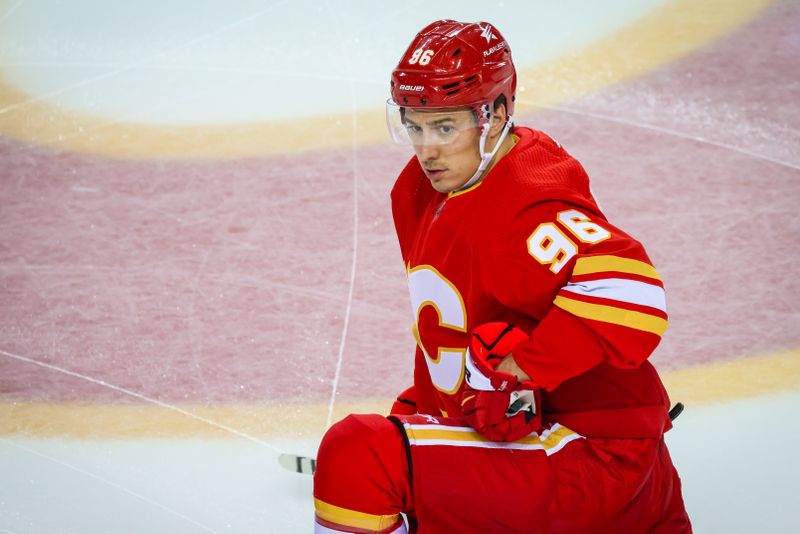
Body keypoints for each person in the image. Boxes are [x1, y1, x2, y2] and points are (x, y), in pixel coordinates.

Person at [312, 19, 692, 533]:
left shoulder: (527, 199)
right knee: (388, 449)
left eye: (445, 127)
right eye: (413, 125)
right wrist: (424, 415)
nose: (426, 149)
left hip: (595, 458)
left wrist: (517, 369)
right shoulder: (422, 189)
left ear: (494, 115)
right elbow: (465, 323)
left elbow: (631, 295)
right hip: (536, 449)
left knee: (359, 455)